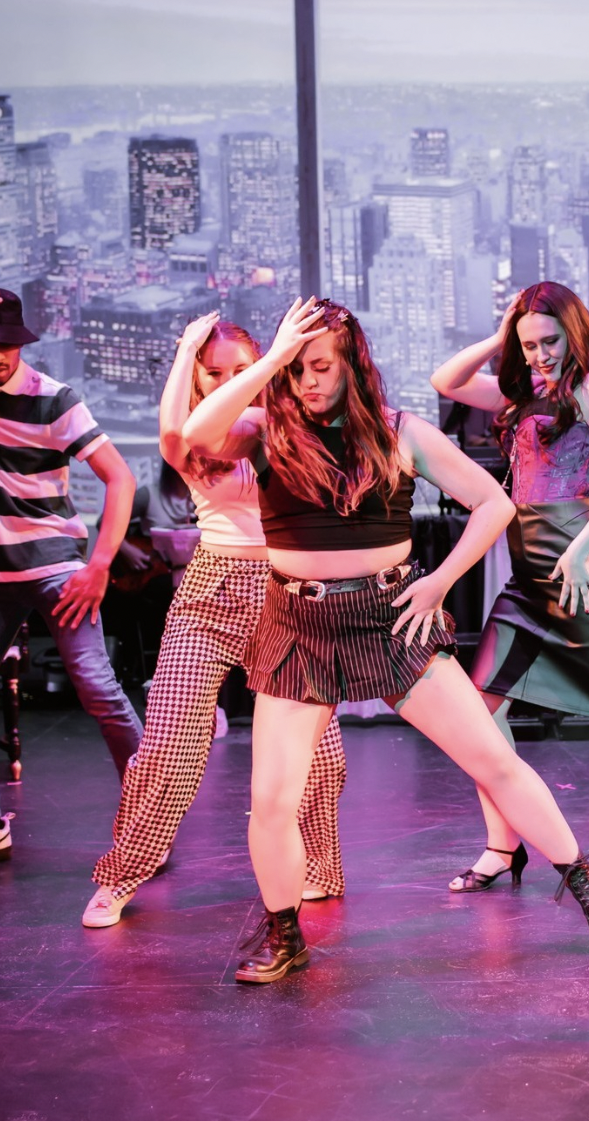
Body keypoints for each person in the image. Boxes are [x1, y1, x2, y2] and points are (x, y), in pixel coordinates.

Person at [183, 295, 589, 983]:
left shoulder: (400, 432)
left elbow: (494, 503)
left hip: (391, 618)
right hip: (299, 625)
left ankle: (582, 879)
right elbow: (197, 432)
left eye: (321, 366)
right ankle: (283, 931)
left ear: (352, 366)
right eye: (296, 369)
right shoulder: (265, 430)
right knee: (273, 798)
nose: (307, 381)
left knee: (494, 760)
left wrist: (441, 582)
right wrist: (272, 357)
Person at [83, 314, 347, 928]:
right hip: (213, 588)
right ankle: (121, 874)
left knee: (320, 755)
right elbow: (174, 435)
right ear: (201, 381)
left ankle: (318, 865)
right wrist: (183, 351)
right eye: (216, 373)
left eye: (245, 369)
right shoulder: (205, 439)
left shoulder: (289, 426)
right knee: (170, 745)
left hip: (291, 590)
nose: (235, 381)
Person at [430, 282, 589, 892]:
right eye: (528, 345)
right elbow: (446, 380)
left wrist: (580, 549)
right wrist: (504, 336)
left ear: (574, 332)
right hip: (531, 576)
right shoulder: (528, 391)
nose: (539, 355)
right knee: (480, 710)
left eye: (548, 341)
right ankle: (502, 845)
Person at [0, 287, 141, 780]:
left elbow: (121, 477)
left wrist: (99, 564)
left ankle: (152, 806)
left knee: (98, 688)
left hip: (55, 561)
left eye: (7, 345)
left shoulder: (53, 398)